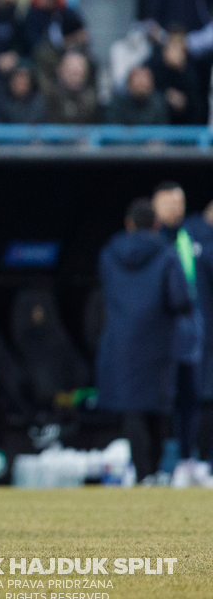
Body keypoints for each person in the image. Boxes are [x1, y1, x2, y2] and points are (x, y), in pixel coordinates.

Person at [97, 198, 194, 479]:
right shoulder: (167, 254)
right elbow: (181, 299)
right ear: (155, 224)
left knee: (131, 409)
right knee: (157, 408)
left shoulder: (108, 254)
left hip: (121, 343)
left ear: (128, 224)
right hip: (158, 342)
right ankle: (154, 472)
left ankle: (142, 474)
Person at [151, 183, 204, 477]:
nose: (175, 208)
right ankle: (159, 465)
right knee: (162, 400)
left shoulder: (189, 236)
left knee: (191, 398)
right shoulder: (152, 241)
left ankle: (188, 461)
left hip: (190, 332)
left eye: (179, 202)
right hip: (161, 334)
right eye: (168, 203)